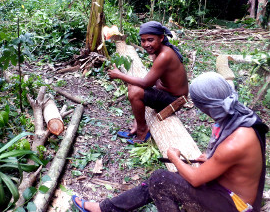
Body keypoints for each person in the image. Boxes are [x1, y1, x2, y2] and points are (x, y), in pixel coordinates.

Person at [72, 72, 267, 212]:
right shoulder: (242, 118)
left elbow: (196, 179)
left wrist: (174, 158)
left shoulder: (234, 143)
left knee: (160, 179)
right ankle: (104, 209)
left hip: (237, 206)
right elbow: (234, 164)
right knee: (157, 182)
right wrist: (211, 159)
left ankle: (104, 209)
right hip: (227, 192)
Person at [107, 21, 188, 144]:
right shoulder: (158, 52)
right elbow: (152, 80)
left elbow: (146, 83)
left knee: (135, 91)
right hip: (165, 93)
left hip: (174, 100)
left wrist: (119, 75)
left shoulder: (164, 55)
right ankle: (139, 124)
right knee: (133, 87)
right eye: (143, 41)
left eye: (150, 40)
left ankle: (142, 130)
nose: (146, 44)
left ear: (161, 38)